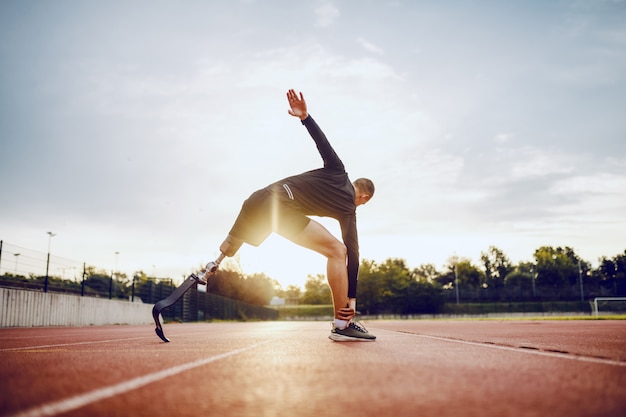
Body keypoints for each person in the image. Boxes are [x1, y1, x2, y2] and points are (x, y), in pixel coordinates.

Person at [215, 89, 376, 341]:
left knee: (227, 249)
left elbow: (322, 143)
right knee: (338, 251)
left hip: (257, 200)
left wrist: (305, 117)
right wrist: (352, 297)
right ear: (364, 197)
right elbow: (353, 253)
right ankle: (342, 325)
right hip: (281, 208)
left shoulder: (338, 170)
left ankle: (211, 265)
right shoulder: (348, 208)